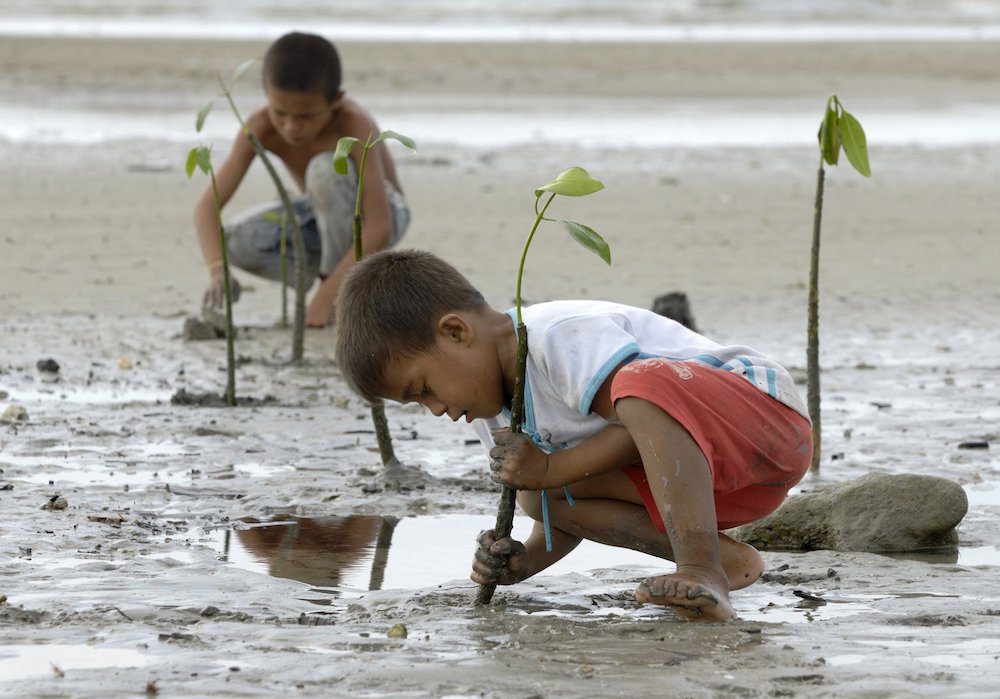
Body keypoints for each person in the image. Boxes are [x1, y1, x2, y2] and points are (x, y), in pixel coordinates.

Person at [334, 249, 812, 621]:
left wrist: (547, 468)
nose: (436, 409)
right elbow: (561, 506)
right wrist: (524, 561)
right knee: (534, 499)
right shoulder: (491, 411)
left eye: (424, 390)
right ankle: (723, 563)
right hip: (716, 489)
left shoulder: (556, 336)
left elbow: (646, 414)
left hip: (762, 427)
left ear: (456, 332)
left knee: (638, 385)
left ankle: (700, 568)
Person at [193, 31, 409, 328]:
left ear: (336, 100)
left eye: (306, 116)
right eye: (279, 112)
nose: (291, 127)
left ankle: (339, 291)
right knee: (231, 242)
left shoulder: (354, 124)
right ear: (266, 94)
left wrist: (325, 299)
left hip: (381, 215)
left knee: (326, 169)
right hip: (321, 220)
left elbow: (380, 226)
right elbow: (206, 208)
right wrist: (218, 271)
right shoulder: (259, 127)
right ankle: (345, 279)